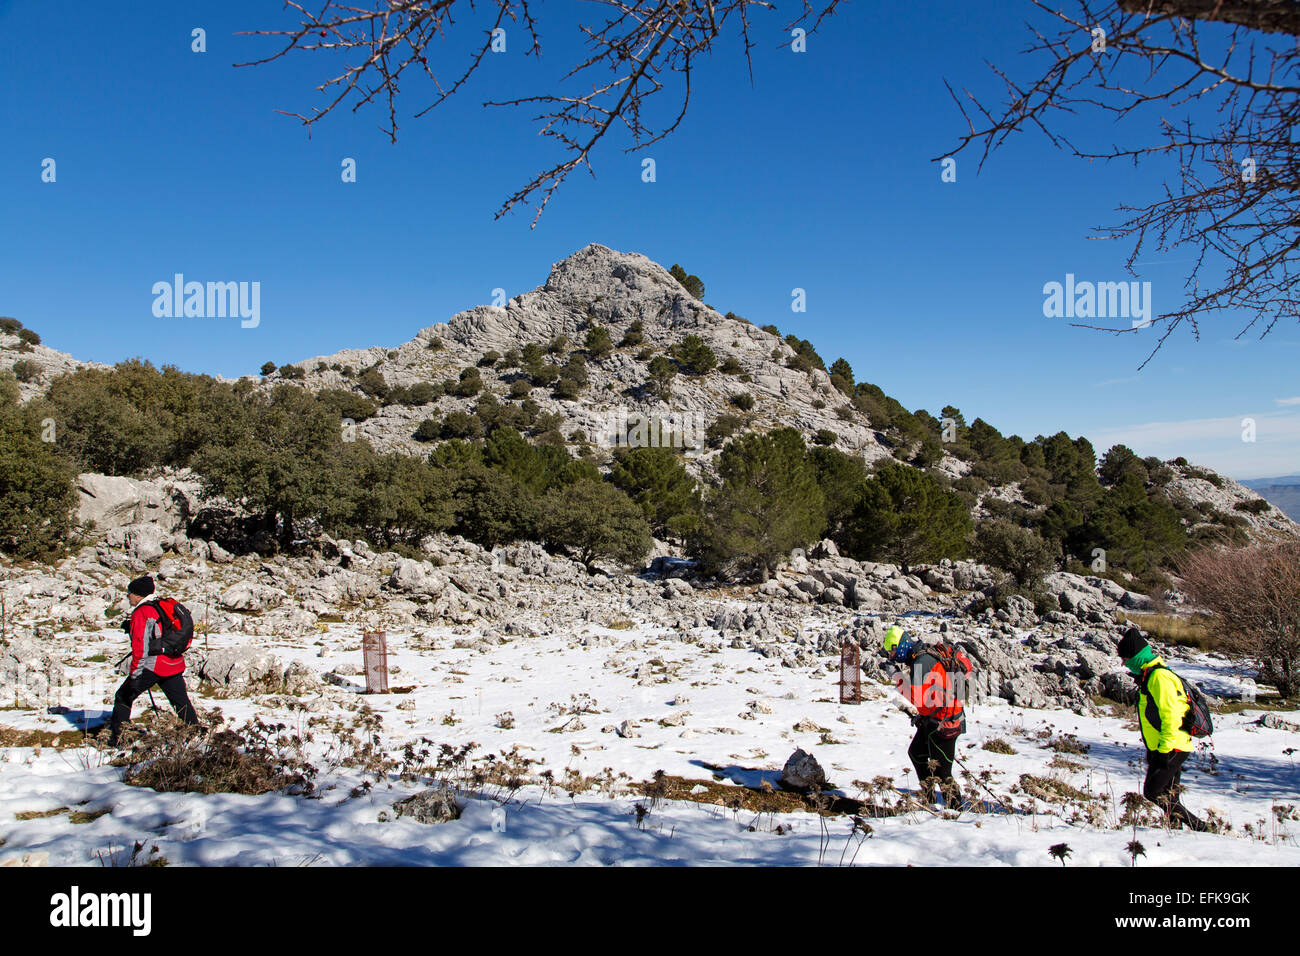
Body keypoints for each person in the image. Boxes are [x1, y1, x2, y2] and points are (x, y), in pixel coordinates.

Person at [1117, 627, 1208, 831]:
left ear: (1136, 656)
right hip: (1167, 745)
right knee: (1169, 795)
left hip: (1171, 746)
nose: (1123, 663)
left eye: (1125, 658)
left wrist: (1163, 751)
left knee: (1153, 791)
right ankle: (1174, 832)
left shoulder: (1159, 678)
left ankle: (1201, 827)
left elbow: (1171, 715)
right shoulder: (1150, 676)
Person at [106, 575, 199, 746]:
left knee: (123, 696)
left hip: (153, 666)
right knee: (181, 701)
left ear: (139, 595)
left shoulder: (142, 612)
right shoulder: (162, 605)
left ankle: (119, 740)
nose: (128, 596)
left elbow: (140, 648)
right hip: (173, 662)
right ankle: (196, 733)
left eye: (130, 593)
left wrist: (135, 674)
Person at [883, 626, 968, 808]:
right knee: (917, 752)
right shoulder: (921, 657)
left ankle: (956, 809)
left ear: (903, 645)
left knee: (941, 771)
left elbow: (918, 699)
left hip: (946, 722)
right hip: (936, 718)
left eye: (893, 650)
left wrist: (897, 676)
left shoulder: (921, 662)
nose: (892, 655)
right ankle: (929, 799)